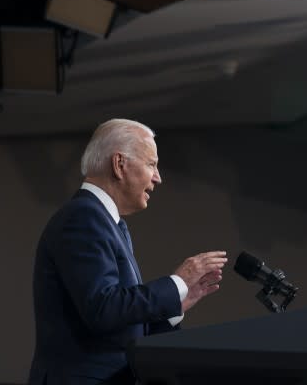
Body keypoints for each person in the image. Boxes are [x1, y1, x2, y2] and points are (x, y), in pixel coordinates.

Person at [28, 119, 228, 385]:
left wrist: (172, 307)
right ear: (119, 164)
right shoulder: (84, 218)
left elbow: (117, 325)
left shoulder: (109, 223)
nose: (158, 177)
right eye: (151, 164)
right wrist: (177, 282)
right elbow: (103, 309)